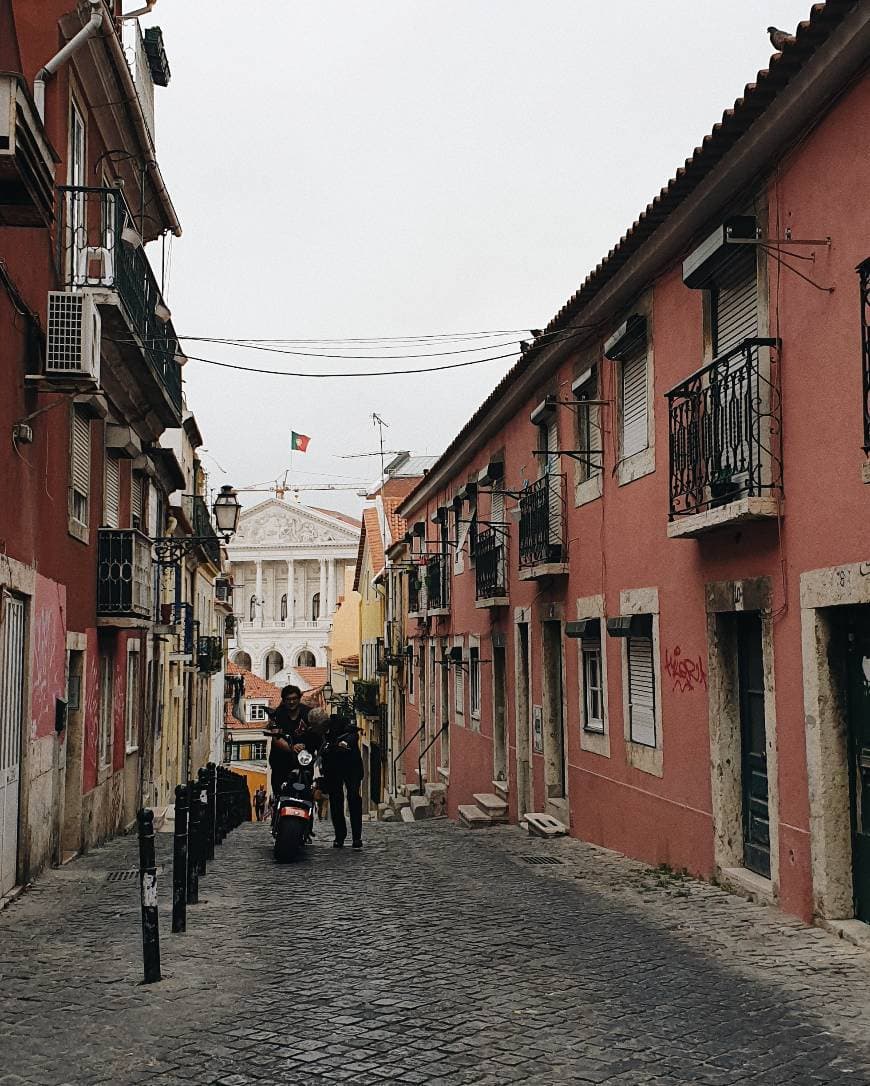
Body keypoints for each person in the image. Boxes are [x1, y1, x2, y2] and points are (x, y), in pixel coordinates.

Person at [264, 685, 321, 798]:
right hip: (281, 762)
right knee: (280, 793)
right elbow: (276, 737)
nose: (291, 702)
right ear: (284, 700)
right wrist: (291, 747)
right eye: (288, 699)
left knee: (306, 793)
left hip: (304, 761)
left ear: (299, 698)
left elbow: (318, 733)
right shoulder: (278, 714)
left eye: (294, 698)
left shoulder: (308, 714)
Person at [321, 714, 364, 849]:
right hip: (333, 770)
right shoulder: (318, 732)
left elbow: (353, 734)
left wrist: (345, 743)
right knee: (335, 801)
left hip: (352, 767)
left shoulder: (340, 724)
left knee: (353, 797)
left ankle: (357, 837)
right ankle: (340, 836)